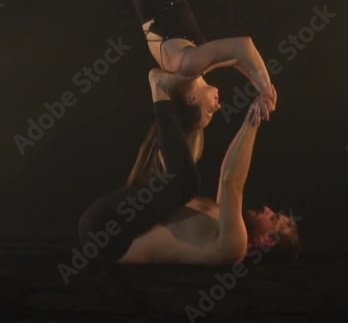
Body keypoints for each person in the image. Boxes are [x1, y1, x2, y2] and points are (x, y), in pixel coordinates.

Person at [124, 0, 348, 184]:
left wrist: (265, 89)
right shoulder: (188, 68)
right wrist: (258, 83)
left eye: (209, 112)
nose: (217, 106)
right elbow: (236, 58)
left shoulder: (186, 64)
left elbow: (243, 46)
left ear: (190, 100)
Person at [77, 68, 300, 266]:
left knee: (186, 184)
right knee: (184, 166)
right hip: (107, 222)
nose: (268, 209)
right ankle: (179, 75)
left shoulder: (234, 248)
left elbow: (231, 182)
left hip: (107, 239)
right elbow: (226, 177)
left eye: (272, 219)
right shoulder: (224, 222)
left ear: (266, 241)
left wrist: (255, 119)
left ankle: (160, 89)